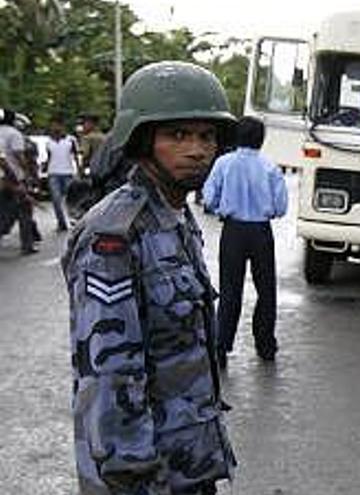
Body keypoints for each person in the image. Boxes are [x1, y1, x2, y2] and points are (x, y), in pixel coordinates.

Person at [61, 61, 237, 495]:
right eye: (178, 135)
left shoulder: (176, 216)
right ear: (143, 142)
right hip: (143, 474)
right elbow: (109, 374)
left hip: (188, 461)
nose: (197, 149)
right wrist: (134, 475)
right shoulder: (116, 234)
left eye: (206, 136)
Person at [202, 116, 288, 366]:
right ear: (261, 139)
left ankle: (221, 347)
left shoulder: (223, 163)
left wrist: (222, 207)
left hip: (233, 231)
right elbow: (281, 207)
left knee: (230, 290)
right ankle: (265, 345)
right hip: (261, 232)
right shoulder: (270, 166)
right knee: (266, 290)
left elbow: (208, 198)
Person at [0, 108, 38, 254]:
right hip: (14, 177)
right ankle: (27, 245)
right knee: (25, 212)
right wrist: (28, 173)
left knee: (4, 210)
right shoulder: (14, 134)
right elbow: (18, 156)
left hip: (2, 180)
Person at [46, 115, 81, 231]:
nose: (55, 127)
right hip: (53, 173)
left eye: (57, 124)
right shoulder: (49, 141)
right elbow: (49, 157)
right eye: (53, 125)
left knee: (72, 199)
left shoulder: (71, 140)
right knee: (56, 199)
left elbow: (76, 156)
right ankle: (61, 222)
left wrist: (79, 171)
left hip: (68, 172)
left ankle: (76, 219)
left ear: (62, 126)